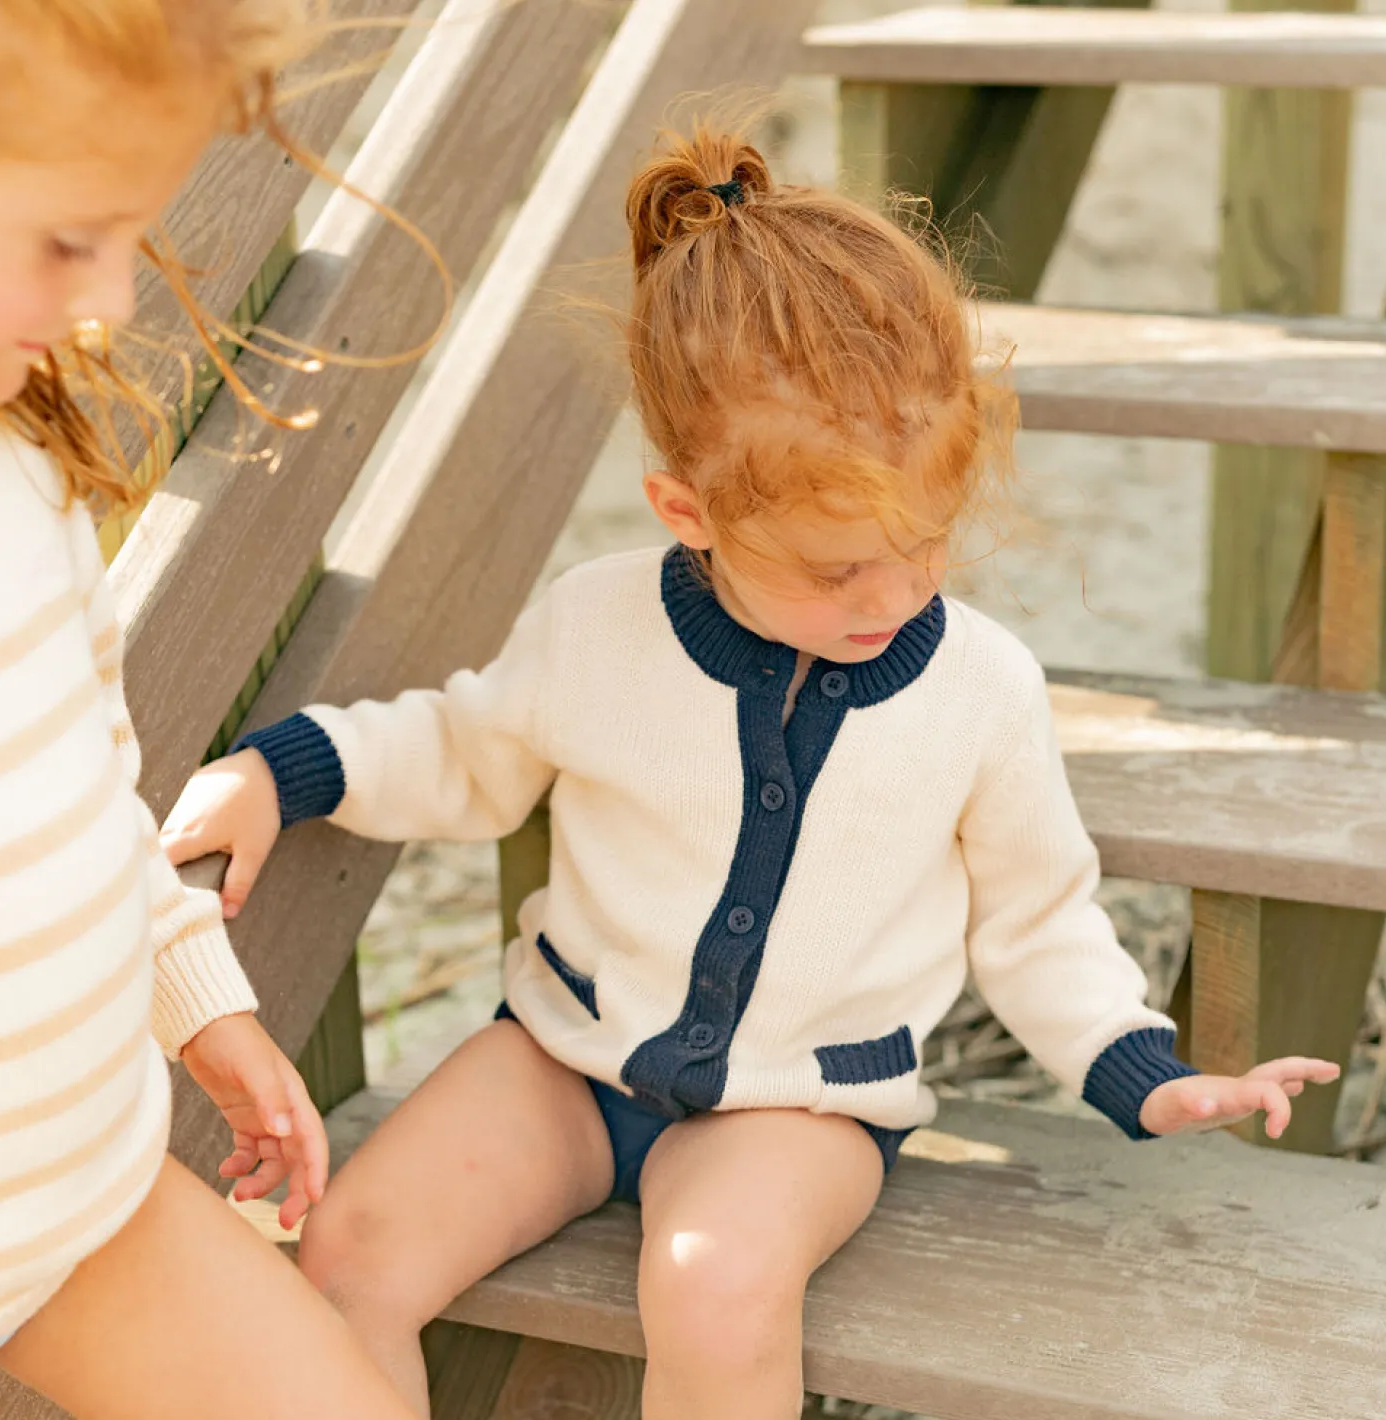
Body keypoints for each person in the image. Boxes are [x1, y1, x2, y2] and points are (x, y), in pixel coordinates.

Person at [166, 124, 1340, 1420]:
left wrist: (1139, 1065)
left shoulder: (981, 691)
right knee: (350, 1251)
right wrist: (286, 773)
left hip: (805, 1102)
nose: (891, 594)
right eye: (837, 568)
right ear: (689, 515)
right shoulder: (597, 625)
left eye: (927, 541)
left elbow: (1036, 916)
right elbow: (463, 750)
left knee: (714, 1280)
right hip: (566, 1053)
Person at [0, 3, 432, 1416]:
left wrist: (197, 999)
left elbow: (94, 786)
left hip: (82, 1214)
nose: (107, 304)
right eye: (67, 242)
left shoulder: (18, 472)